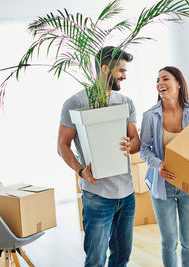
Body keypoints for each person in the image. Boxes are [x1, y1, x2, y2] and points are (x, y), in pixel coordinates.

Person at [57, 46, 140, 267]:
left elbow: (136, 141)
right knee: (95, 260)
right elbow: (62, 145)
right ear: (105, 68)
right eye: (121, 70)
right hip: (97, 194)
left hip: (127, 193)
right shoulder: (76, 103)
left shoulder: (125, 102)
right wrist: (81, 171)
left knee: (122, 257)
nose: (124, 75)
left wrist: (129, 145)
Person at [139, 66, 189, 267]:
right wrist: (158, 165)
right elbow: (143, 149)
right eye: (157, 80)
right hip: (161, 185)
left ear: (178, 84)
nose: (159, 83)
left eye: (165, 78)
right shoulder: (150, 116)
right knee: (168, 242)